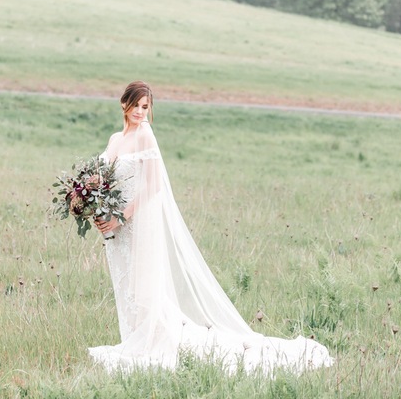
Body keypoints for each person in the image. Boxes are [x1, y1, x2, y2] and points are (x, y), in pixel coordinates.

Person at [89, 81, 334, 374]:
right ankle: (134, 339)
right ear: (123, 104)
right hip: (115, 229)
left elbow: (153, 184)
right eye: (136, 106)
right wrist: (91, 205)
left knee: (144, 289)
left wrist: (122, 217)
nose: (141, 112)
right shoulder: (115, 139)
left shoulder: (145, 135)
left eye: (146, 107)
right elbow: (102, 182)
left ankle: (150, 345)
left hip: (137, 222)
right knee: (126, 286)